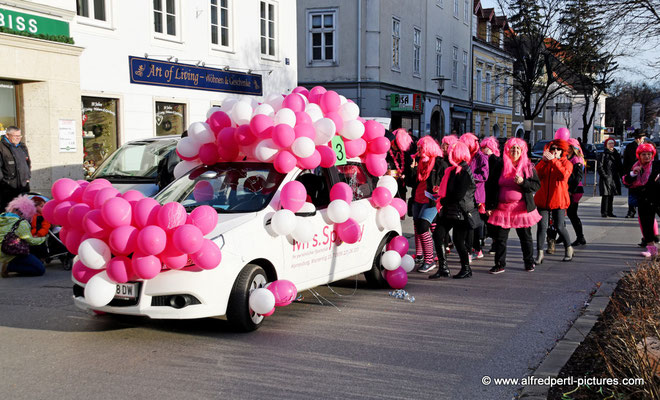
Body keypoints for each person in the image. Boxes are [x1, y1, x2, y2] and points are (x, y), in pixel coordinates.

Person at [485, 138, 541, 273]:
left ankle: (529, 262)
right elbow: (491, 185)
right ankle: (499, 264)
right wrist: (489, 206)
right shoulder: (500, 165)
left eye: (518, 149)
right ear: (507, 150)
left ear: (522, 151)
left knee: (525, 237)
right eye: (512, 148)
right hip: (502, 208)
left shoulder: (527, 166)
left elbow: (536, 185)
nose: (515, 151)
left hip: (520, 208)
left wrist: (523, 182)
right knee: (500, 239)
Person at [429, 141, 476, 279]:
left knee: (458, 240)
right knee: (438, 234)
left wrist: (443, 200)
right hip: (450, 209)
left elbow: (458, 194)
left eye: (451, 152)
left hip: (460, 211)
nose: (449, 154)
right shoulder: (453, 169)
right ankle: (443, 268)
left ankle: (466, 268)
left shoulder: (464, 171)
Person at [534, 139, 574, 263]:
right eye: (553, 149)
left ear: (562, 151)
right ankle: (539, 253)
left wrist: (553, 161)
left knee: (559, 226)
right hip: (543, 199)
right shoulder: (545, 162)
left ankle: (569, 248)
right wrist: (543, 162)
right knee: (542, 226)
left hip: (559, 199)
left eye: (558, 149)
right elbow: (536, 175)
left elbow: (563, 176)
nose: (555, 151)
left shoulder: (566, 163)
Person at [410, 136, 445, 273]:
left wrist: (439, 188)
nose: (418, 149)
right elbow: (411, 183)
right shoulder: (418, 162)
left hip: (431, 201)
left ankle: (429, 260)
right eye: (418, 147)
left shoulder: (439, 163)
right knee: (420, 227)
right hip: (418, 199)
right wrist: (412, 169)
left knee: (423, 227)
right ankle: (426, 257)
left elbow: (445, 179)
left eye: (421, 147)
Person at [622, 143, 660, 258]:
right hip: (643, 199)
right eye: (644, 154)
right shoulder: (635, 166)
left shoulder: (657, 165)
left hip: (658, 198)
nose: (647, 157)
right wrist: (633, 173)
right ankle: (651, 249)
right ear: (639, 155)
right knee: (646, 224)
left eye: (649, 154)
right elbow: (626, 182)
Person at [1, 195, 47, 278]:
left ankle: (12, 264)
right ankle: (10, 267)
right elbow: (31, 241)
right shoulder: (21, 223)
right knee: (40, 270)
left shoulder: (2, 217)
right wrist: (43, 238)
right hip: (13, 252)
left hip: (2, 251)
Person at [460, 133, 489, 260]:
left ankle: (473, 249)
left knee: (473, 224)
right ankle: (475, 248)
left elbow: (484, 176)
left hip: (477, 195)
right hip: (466, 194)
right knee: (469, 223)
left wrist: (470, 178)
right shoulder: (465, 157)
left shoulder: (481, 157)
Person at [0, 126, 32, 211]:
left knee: (23, 211)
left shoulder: (22, 146)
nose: (18, 138)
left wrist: (28, 176)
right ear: (7, 135)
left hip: (23, 186)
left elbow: (27, 163)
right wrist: (4, 183)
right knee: (9, 212)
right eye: (15, 136)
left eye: (20, 136)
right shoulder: (1, 148)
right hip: (7, 189)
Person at [481, 136, 502, 255]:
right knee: (487, 221)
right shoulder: (483, 159)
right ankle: (487, 239)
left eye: (487, 147)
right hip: (484, 193)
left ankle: (495, 243)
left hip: (493, 193)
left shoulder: (496, 161)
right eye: (483, 147)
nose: (485, 150)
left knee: (494, 222)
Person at [566, 139, 586, 246]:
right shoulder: (570, 158)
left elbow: (577, 177)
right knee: (569, 214)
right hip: (571, 189)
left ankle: (580, 237)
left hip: (575, 190)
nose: (566, 149)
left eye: (569, 147)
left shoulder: (576, 159)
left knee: (572, 214)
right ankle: (579, 237)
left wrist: (570, 191)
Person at [623, 130, 647, 218]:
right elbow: (625, 161)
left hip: (645, 173)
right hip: (633, 173)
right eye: (640, 138)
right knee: (632, 193)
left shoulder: (647, 146)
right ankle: (631, 211)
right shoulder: (630, 147)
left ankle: (643, 211)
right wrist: (626, 174)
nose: (641, 140)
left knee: (644, 193)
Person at [385, 128, 413, 201]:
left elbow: (409, 172)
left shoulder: (405, 155)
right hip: (387, 187)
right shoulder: (386, 153)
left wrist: (405, 175)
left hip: (401, 189)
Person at [597, 138, 623, 218]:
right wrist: (604, 175)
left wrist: (622, 176)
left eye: (612, 143)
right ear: (606, 145)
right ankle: (604, 212)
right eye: (609, 143)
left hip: (614, 177)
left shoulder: (616, 154)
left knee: (611, 195)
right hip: (606, 177)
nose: (611, 145)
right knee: (605, 195)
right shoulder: (603, 154)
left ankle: (610, 212)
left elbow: (620, 166)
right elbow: (600, 166)